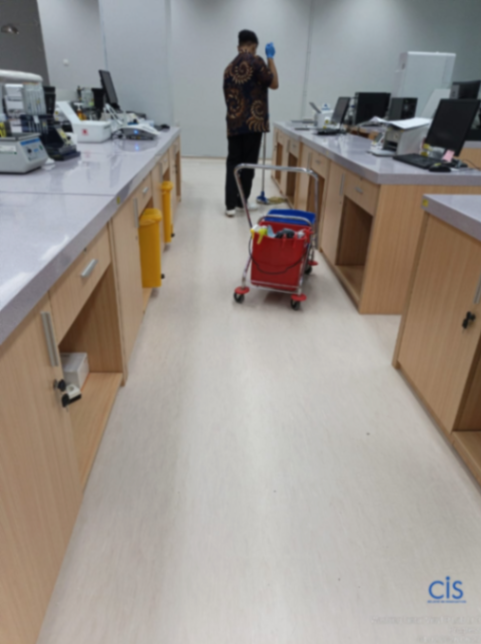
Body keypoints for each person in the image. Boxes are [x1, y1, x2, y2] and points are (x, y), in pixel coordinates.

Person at [223, 29, 279, 217]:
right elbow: (274, 83)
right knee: (247, 165)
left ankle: (230, 206)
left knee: (233, 163)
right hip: (253, 124)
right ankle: (242, 201)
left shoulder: (228, 68)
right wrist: (270, 58)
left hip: (234, 124)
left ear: (238, 46)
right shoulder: (256, 61)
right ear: (254, 46)